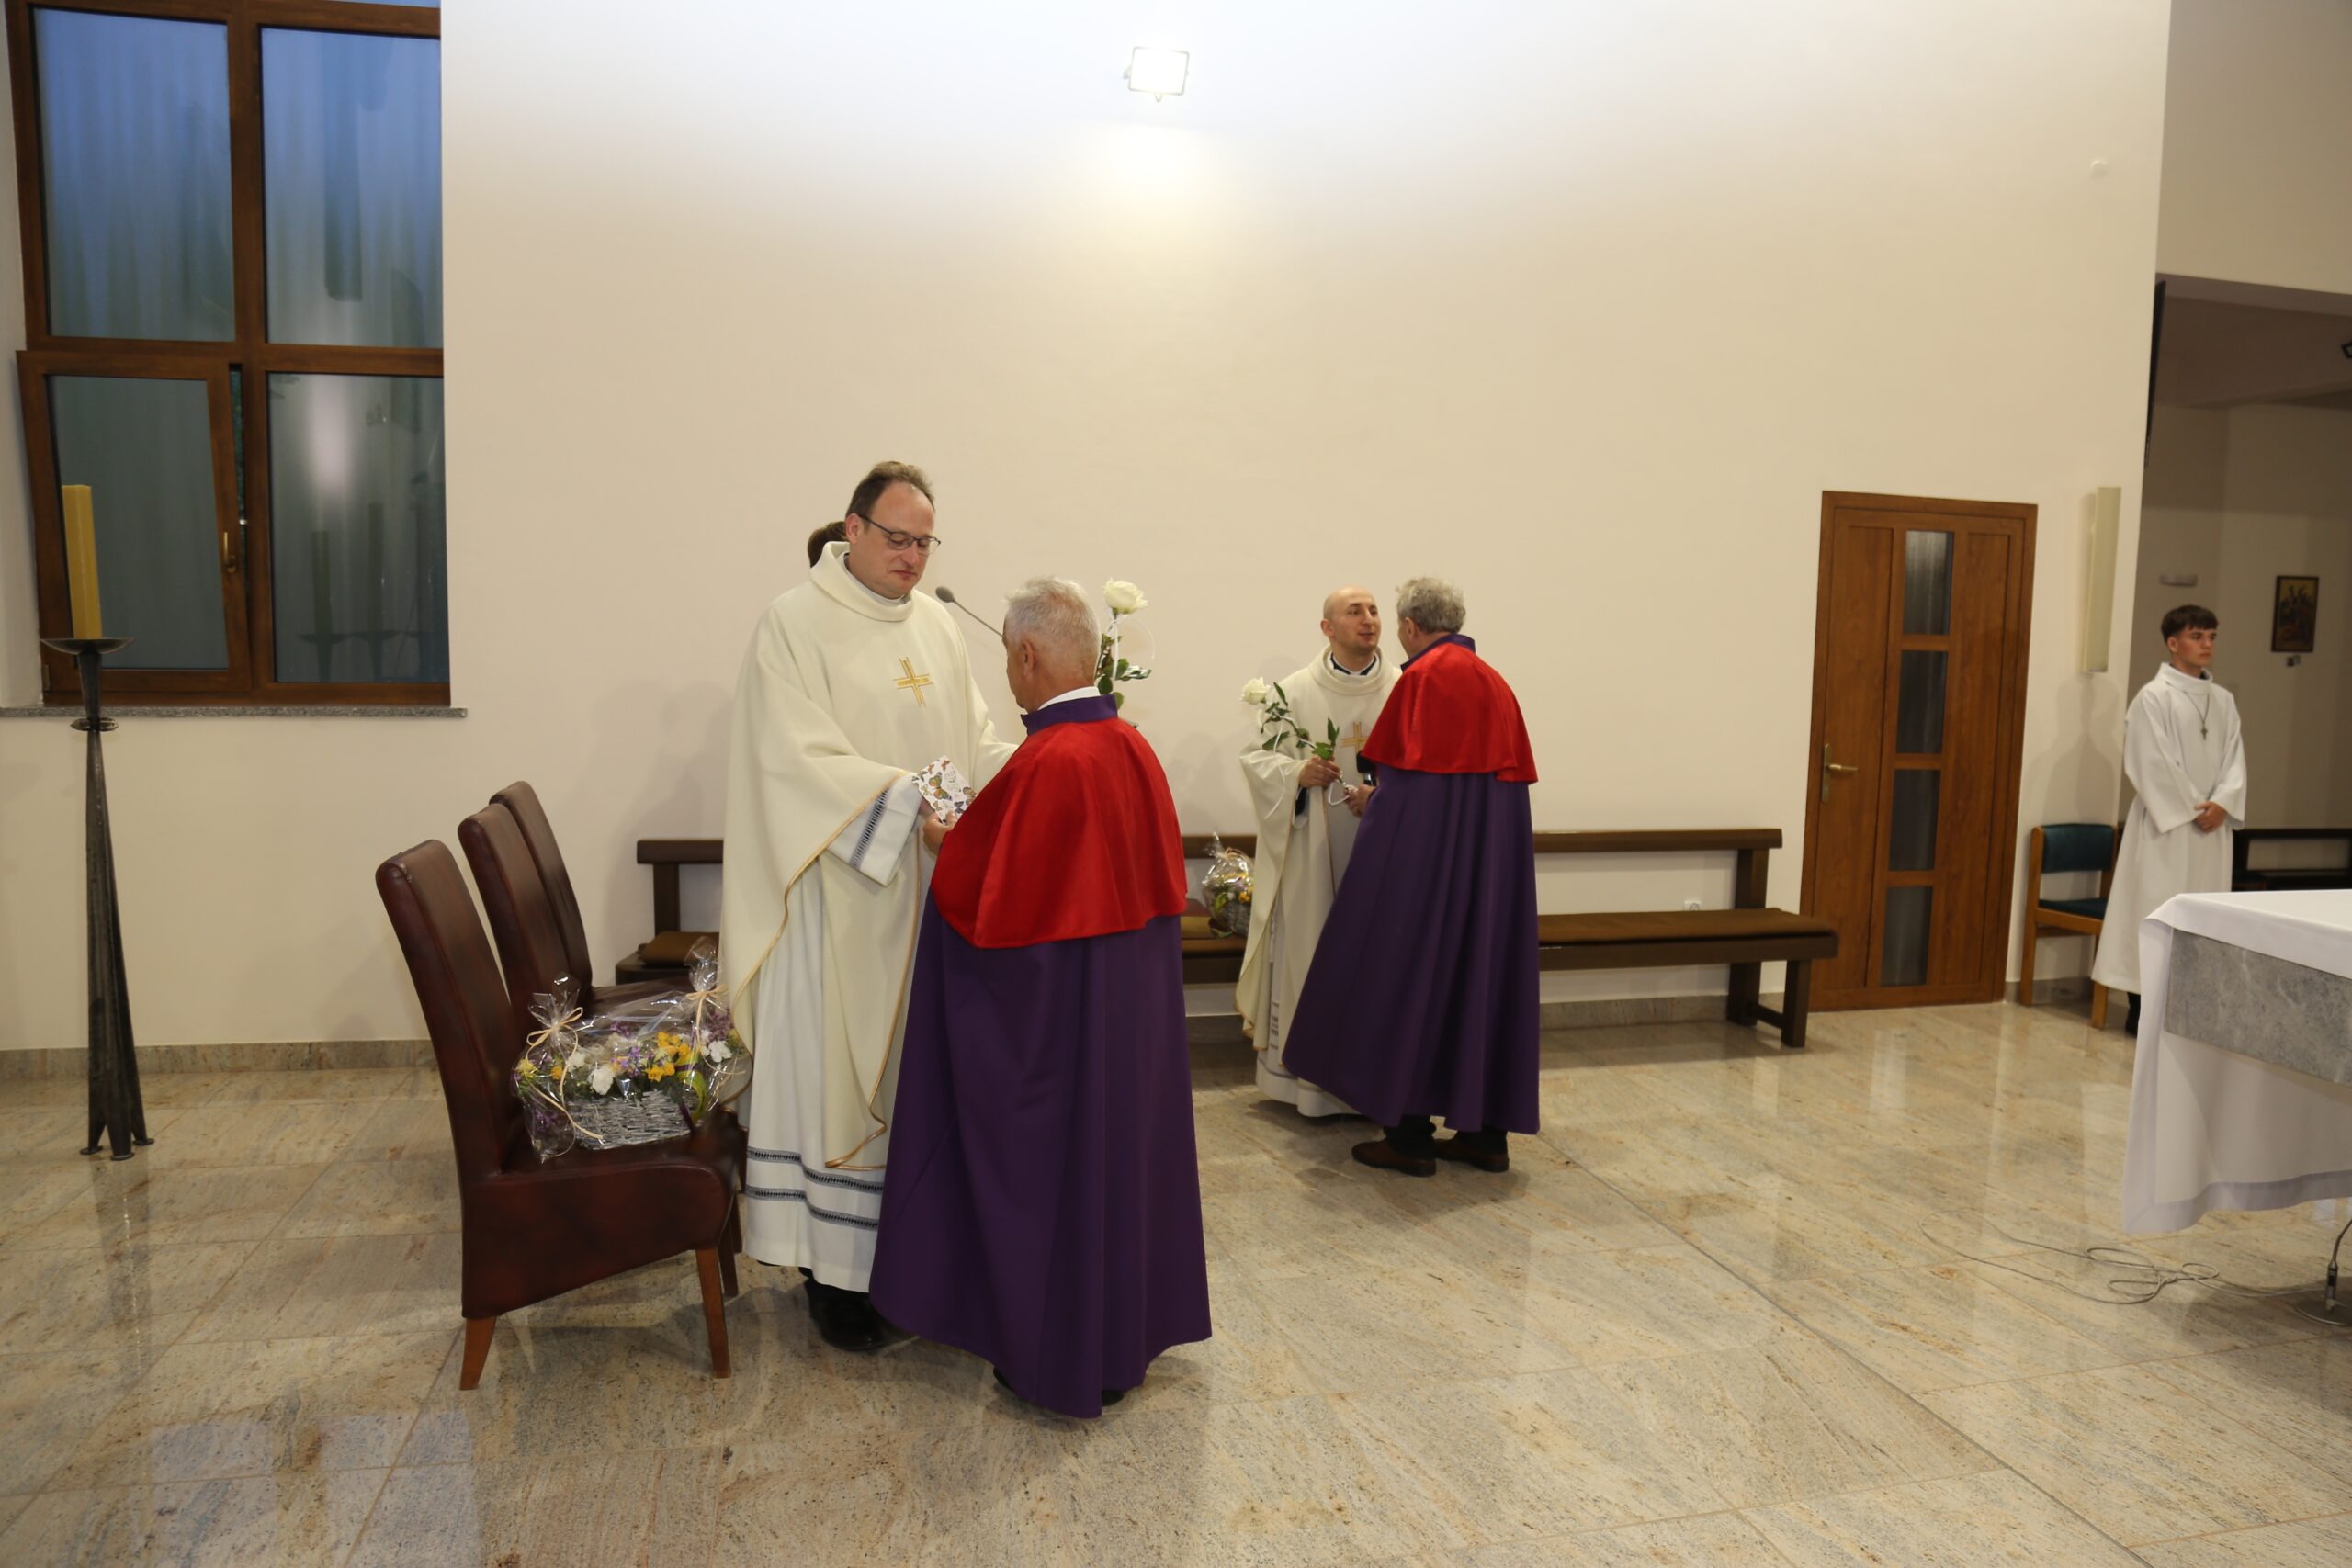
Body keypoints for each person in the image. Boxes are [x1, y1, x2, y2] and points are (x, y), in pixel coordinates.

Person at [870, 578, 1209, 1417]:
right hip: (1126, 1027)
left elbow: (985, 906)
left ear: (1026, 654)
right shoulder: (1129, 747)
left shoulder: (1048, 761)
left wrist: (947, 840)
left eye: (1005, 660)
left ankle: (1057, 1356)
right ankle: (1117, 1343)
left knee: (1056, 1180)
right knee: (1118, 1174)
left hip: (1059, 1034)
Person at [719, 461, 1013, 1352]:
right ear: (852, 529)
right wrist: (906, 800)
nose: (912, 557)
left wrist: (1037, 765)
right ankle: (833, 1274)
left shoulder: (937, 625)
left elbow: (973, 739)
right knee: (834, 1083)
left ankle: (912, 1255)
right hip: (838, 895)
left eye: (924, 541)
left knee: (913, 1077)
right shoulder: (792, 622)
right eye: (896, 538)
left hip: (926, 893)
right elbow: (791, 758)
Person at [1281, 576, 1540, 1176]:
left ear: (1409, 626)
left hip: (1428, 874)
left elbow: (1409, 795)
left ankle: (1409, 1137)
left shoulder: (1421, 679)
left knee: (1404, 973)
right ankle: (1484, 1137)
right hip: (1489, 877)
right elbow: (1472, 793)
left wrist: (1374, 803)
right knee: (1480, 982)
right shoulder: (1495, 683)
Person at [1236, 585, 1399, 1116]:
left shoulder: (1404, 688)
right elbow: (1258, 761)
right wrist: (1296, 775)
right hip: (1314, 859)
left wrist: (1384, 796)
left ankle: (1374, 1081)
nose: (1369, 620)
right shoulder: (1292, 693)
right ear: (1327, 628)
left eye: (1374, 611)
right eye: (1355, 612)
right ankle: (1306, 1087)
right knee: (1313, 954)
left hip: (1387, 859)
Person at [2091, 604, 2245, 1034]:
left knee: (2202, 918)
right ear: (2173, 643)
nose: (2207, 644)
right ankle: (2142, 1009)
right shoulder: (2153, 697)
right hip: (2167, 827)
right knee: (2154, 910)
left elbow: (2235, 759)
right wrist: (2194, 807)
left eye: (2212, 636)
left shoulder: (2223, 700)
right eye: (2197, 636)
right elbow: (2148, 761)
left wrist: (2224, 802)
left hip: (2210, 831)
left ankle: (2191, 1011)